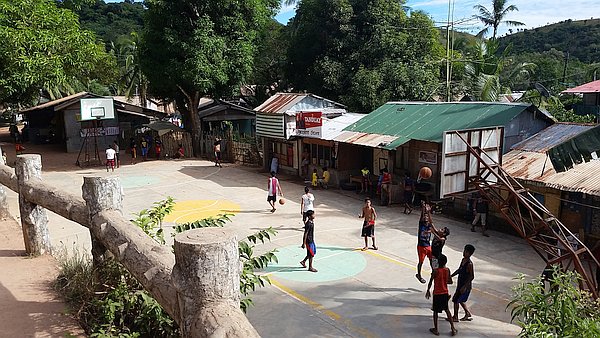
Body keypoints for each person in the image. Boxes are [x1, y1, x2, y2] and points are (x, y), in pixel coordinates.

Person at [425, 254, 457, 336]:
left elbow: (431, 281)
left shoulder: (435, 271)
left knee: (435, 311)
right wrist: (443, 281)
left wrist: (428, 290)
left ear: (438, 262)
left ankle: (436, 329)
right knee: (447, 310)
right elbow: (450, 282)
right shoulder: (447, 270)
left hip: (437, 293)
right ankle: (453, 328)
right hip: (445, 292)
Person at [451, 244, 475, 323]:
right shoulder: (463, 260)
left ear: (469, 253)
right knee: (460, 300)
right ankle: (467, 313)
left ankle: (455, 317)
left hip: (465, 286)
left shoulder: (469, 264)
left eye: (466, 251)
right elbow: (459, 270)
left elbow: (471, 276)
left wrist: (464, 287)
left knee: (456, 300)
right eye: (464, 251)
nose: (464, 252)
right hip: (460, 284)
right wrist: (451, 275)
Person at [416, 202, 439, 284]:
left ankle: (434, 271)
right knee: (421, 262)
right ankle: (419, 274)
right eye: (424, 217)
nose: (425, 218)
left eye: (426, 217)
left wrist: (428, 212)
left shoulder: (429, 225)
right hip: (421, 246)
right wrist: (423, 209)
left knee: (431, 260)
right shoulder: (421, 224)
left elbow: (431, 222)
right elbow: (421, 217)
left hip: (428, 246)